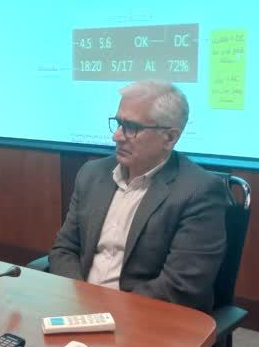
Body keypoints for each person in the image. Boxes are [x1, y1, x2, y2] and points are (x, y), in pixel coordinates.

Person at [49, 80, 228, 313]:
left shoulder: (198, 191)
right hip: (79, 306)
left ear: (170, 138)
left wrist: (107, 311)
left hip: (144, 316)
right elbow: (64, 249)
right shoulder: (92, 174)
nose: (117, 136)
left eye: (131, 127)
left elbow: (180, 286)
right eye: (118, 123)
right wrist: (80, 300)